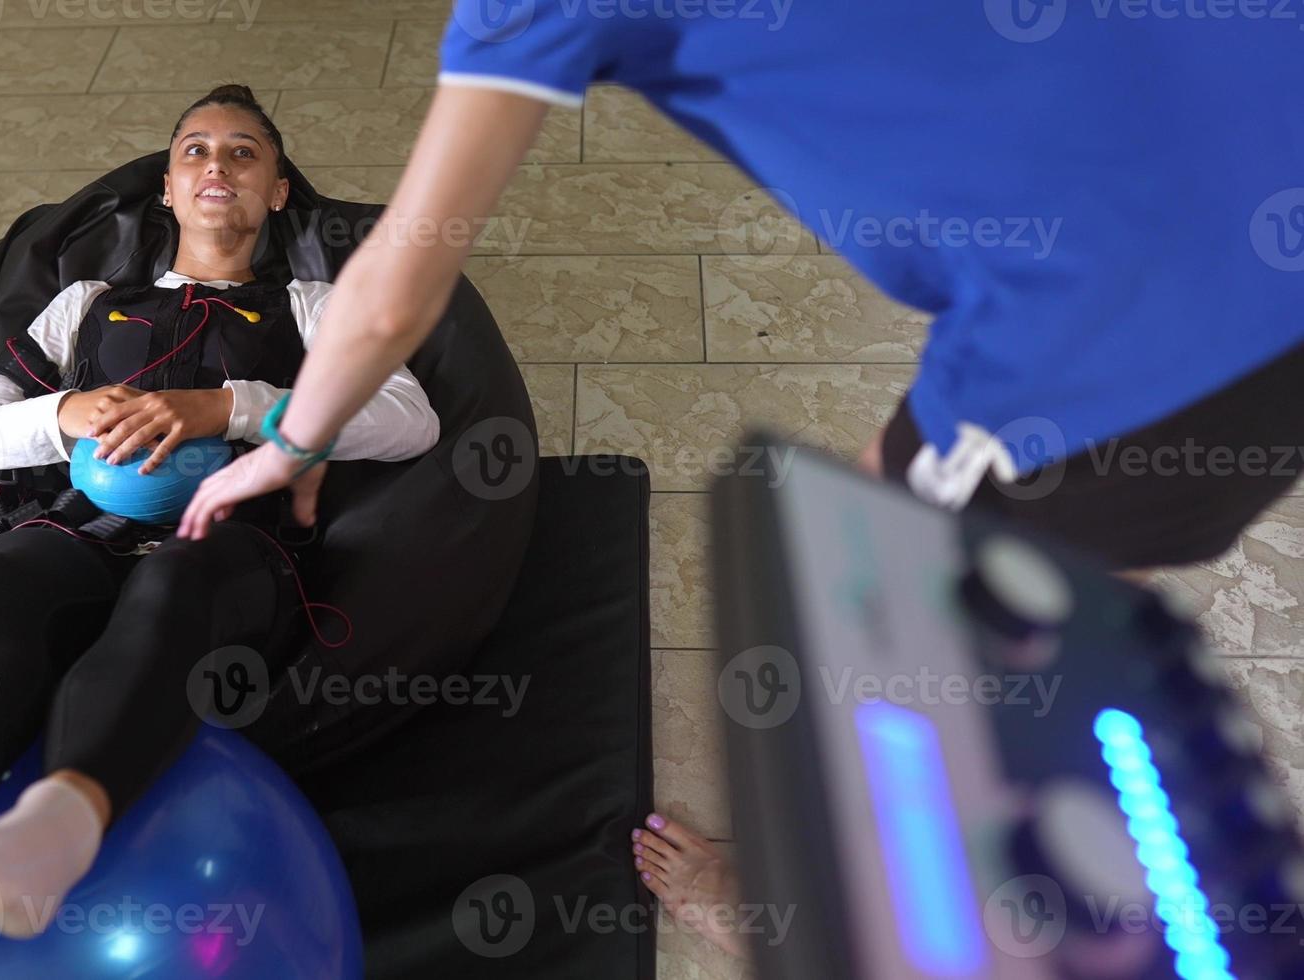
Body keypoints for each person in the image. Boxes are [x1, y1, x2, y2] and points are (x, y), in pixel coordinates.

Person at [170, 0, 1304, 955]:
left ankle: (838, 911)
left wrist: (286, 440)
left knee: (867, 612)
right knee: (1057, 559)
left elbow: (387, 296)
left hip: (1133, 306)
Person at [0, 84, 439, 939]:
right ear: (169, 191)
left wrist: (230, 409)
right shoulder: (87, 306)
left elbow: (411, 422)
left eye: (244, 153)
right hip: (77, 530)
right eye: (195, 151)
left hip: (233, 545)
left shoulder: (312, 307)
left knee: (176, 584)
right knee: (4, 575)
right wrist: (62, 414)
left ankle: (53, 832)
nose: (218, 164)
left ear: (279, 192)